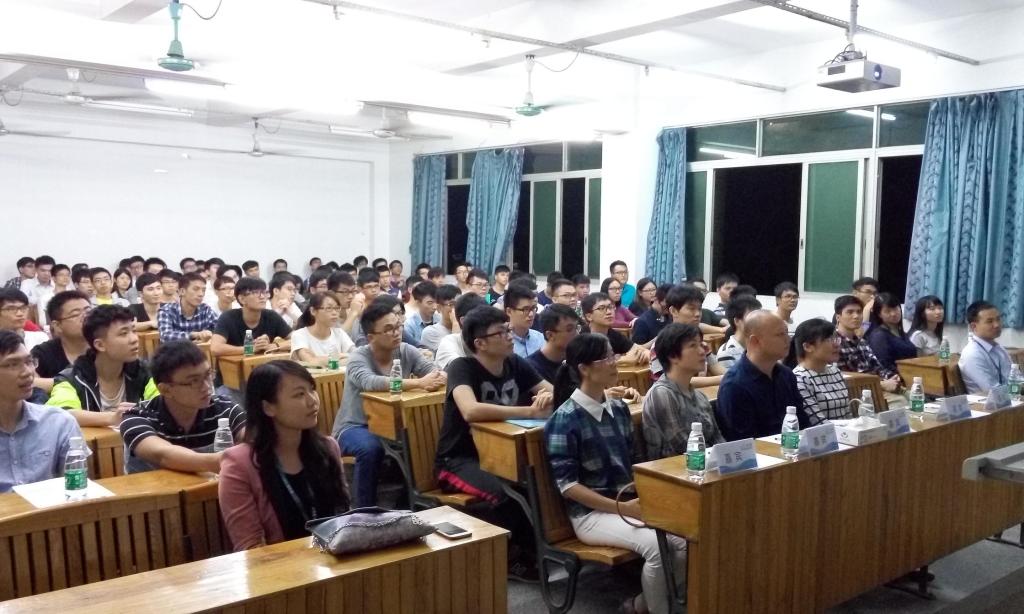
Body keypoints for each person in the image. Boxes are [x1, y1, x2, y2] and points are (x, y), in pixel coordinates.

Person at [544, 332, 685, 613]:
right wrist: (624, 508)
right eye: (606, 358)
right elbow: (568, 487)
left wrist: (650, 499)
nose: (614, 362)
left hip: (628, 504)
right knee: (656, 547)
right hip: (591, 515)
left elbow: (635, 462)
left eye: (614, 355)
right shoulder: (564, 419)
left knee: (684, 540)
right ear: (584, 368)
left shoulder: (618, 408)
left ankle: (643, 604)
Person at [435, 305, 552, 578]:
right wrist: (528, 411)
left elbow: (553, 392)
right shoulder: (462, 367)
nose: (510, 336)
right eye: (502, 332)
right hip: (458, 461)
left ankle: (538, 550)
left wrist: (549, 397)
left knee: (534, 481)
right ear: (480, 343)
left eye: (508, 329)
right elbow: (470, 410)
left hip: (500, 455)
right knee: (507, 493)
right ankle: (513, 557)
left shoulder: (515, 363)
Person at [220, 360, 349, 550]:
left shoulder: (327, 448)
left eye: (312, 390)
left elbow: (344, 518)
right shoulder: (239, 464)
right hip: (279, 566)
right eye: (299, 394)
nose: (312, 400)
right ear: (268, 407)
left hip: (333, 559)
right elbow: (250, 547)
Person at [332, 301, 445, 507]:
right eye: (388, 329)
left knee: (426, 440)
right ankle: (363, 511)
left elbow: (432, 370)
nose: (396, 333)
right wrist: (419, 383)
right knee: (370, 448)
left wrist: (439, 377)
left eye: (398, 326)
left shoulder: (406, 350)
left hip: (394, 426)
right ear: (371, 337)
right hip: (355, 426)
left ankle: (409, 503)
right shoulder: (358, 357)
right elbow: (370, 382)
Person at [120, 341, 245, 474]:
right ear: (166, 390)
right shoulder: (137, 417)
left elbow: (251, 436)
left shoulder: (226, 409)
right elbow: (163, 455)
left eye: (208, 375)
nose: (207, 386)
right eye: (194, 381)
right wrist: (224, 461)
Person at [47, 305, 158, 427]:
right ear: (100, 345)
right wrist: (112, 418)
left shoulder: (144, 372)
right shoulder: (71, 378)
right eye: (123, 333)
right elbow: (60, 415)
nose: (134, 339)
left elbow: (163, 404)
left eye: (134, 330)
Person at [0, 330, 82, 493]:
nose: (27, 372)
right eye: (13, 364)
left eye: (29, 362)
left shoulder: (59, 422)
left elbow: (78, 489)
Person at [715, 311, 813, 440]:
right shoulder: (734, 385)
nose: (788, 339)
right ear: (755, 341)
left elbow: (802, 422)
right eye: (780, 334)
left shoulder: (786, 375)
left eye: (787, 333)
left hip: (792, 447)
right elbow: (743, 442)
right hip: (760, 451)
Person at [643, 323, 725, 461]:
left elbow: (717, 437)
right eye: (693, 346)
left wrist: (729, 457)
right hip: (675, 469)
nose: (702, 351)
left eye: (701, 345)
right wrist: (719, 459)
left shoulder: (700, 396)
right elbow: (683, 446)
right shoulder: (662, 394)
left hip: (707, 464)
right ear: (672, 356)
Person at [211, 277, 291, 366]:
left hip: (263, 368)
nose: (262, 297)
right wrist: (250, 349)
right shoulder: (228, 317)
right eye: (255, 292)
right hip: (232, 370)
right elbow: (215, 348)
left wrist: (272, 346)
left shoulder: (271, 316)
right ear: (242, 299)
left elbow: (297, 339)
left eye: (264, 292)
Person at [834, 295, 901, 392]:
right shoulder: (834, 343)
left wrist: (892, 377)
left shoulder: (862, 342)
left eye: (859, 312)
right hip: (857, 392)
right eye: (850, 312)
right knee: (902, 400)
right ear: (838, 317)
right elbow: (843, 377)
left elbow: (878, 367)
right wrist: (881, 384)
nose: (856, 316)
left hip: (877, 386)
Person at [792, 319, 852, 423]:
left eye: (836, 339)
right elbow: (818, 422)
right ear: (808, 347)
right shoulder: (800, 378)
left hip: (846, 431)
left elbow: (848, 414)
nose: (836, 345)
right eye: (829, 340)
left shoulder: (835, 372)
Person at [32, 291, 92, 388]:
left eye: (88, 312)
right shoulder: (44, 353)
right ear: (57, 326)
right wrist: (71, 384)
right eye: (75, 314)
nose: (85, 317)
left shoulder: (105, 345)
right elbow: (30, 382)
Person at [581, 293, 650, 366]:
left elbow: (642, 350)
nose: (609, 312)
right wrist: (622, 359)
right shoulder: (583, 338)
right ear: (589, 316)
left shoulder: (613, 334)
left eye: (610, 307)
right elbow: (592, 366)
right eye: (601, 308)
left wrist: (643, 354)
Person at [959, 300, 1012, 394]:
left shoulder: (999, 349)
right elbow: (993, 391)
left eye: (998, 319)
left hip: (1010, 398)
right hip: (988, 402)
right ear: (973, 326)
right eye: (989, 321)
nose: (997, 325)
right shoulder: (972, 354)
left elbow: (1014, 379)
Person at [290, 293, 355, 365]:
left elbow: (356, 356)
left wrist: (325, 360)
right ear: (313, 311)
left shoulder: (339, 333)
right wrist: (340, 357)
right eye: (329, 308)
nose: (334, 313)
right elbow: (311, 361)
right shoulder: (299, 335)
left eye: (337, 308)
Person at [865, 292, 918, 375]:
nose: (893, 314)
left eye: (896, 309)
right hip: (895, 377)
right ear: (879, 314)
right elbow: (884, 364)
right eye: (887, 311)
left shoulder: (902, 332)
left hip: (912, 374)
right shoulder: (879, 335)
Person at [157, 272, 217, 343]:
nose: (201, 294)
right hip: (175, 350)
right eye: (196, 289)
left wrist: (209, 334)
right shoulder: (166, 311)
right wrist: (195, 335)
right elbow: (166, 336)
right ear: (182, 291)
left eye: (203, 290)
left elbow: (221, 331)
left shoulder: (205, 309)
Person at [528, 304, 582, 383]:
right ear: (550, 335)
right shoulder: (533, 368)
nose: (577, 334)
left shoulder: (578, 359)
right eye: (570, 329)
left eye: (577, 327)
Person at [435, 293, 487, 370]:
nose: (485, 323)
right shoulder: (448, 342)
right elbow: (459, 369)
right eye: (480, 318)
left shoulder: (492, 339)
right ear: (464, 321)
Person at [716, 296, 763, 371]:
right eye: (752, 317)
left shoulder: (761, 345)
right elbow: (732, 378)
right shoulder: (727, 353)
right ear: (737, 321)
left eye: (759, 317)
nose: (758, 322)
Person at [504, 282, 545, 359]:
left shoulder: (541, 339)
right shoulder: (502, 343)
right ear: (509, 311)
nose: (531, 314)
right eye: (525, 309)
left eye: (533, 308)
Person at [421, 285, 461, 352]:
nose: (456, 308)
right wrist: (455, 323)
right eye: (451, 304)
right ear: (439, 308)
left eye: (459, 303)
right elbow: (450, 354)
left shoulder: (467, 328)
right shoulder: (431, 332)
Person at [36, 264, 73, 332]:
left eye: (68, 275)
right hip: (53, 330)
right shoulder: (45, 298)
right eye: (61, 275)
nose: (65, 277)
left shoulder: (74, 296)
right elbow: (43, 321)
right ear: (53, 278)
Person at [403, 280, 440, 346]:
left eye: (436, 302)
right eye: (430, 303)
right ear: (418, 303)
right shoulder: (409, 325)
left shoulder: (440, 319)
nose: (435, 307)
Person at [327, 271, 362, 335]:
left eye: (353, 291)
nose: (351, 296)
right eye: (345, 292)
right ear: (331, 293)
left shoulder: (353, 309)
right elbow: (337, 339)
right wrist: (353, 314)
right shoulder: (324, 315)